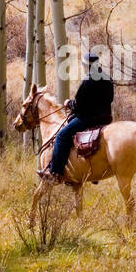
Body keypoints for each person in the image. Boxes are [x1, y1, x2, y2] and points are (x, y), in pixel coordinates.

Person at [44, 52, 114, 182]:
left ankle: (55, 172)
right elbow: (110, 99)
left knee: (61, 136)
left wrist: (68, 103)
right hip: (105, 118)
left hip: (88, 118)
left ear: (87, 66)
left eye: (83, 65)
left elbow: (79, 105)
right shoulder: (108, 78)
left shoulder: (88, 81)